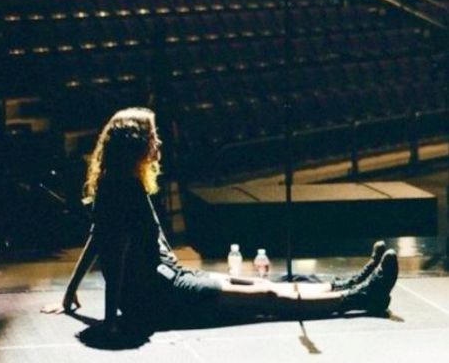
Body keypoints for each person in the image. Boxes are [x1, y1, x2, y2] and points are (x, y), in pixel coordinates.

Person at [42, 107, 399, 336]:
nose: (158, 142)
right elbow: (113, 254)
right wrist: (110, 321)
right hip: (162, 296)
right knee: (268, 295)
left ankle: (347, 284)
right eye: (152, 136)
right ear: (134, 144)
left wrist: (71, 291)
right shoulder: (122, 188)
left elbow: (96, 237)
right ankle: (360, 296)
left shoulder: (120, 182)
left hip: (171, 280)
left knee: (257, 286)